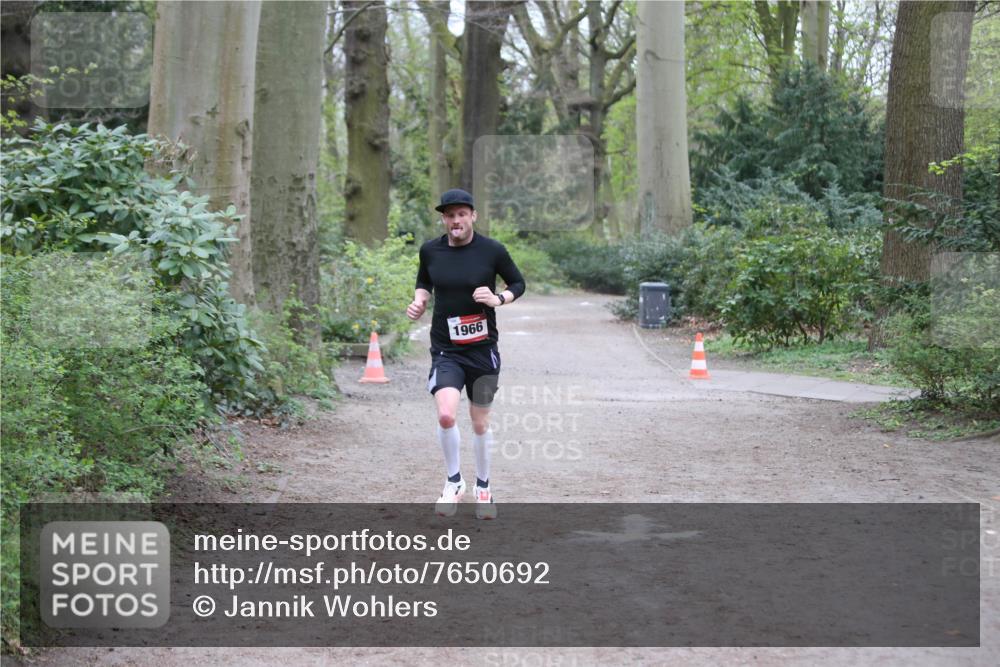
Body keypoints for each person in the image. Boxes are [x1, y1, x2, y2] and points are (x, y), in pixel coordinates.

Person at [406, 188, 526, 519]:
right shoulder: (430, 251)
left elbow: (518, 283)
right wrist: (419, 300)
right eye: (449, 215)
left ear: (472, 216)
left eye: (461, 214)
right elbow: (423, 282)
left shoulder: (492, 250)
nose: (455, 220)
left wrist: (499, 299)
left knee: (479, 421)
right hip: (446, 348)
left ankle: (483, 488)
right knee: (445, 414)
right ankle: (454, 482)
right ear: (443, 219)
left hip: (483, 351)